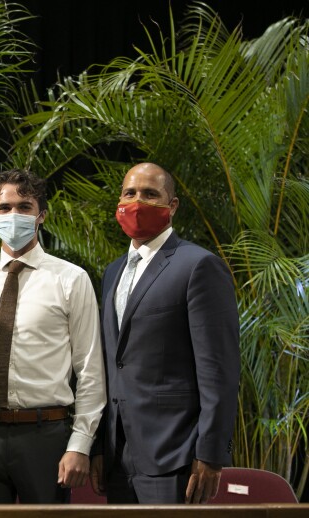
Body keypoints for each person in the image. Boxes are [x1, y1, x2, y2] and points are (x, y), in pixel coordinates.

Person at [0, 169, 106, 504]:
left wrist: (80, 444)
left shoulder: (71, 280)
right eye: (4, 208)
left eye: (25, 207)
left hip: (45, 435)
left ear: (41, 215)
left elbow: (90, 369)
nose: (13, 215)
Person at [89, 162, 240, 504]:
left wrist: (211, 451)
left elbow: (218, 370)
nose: (137, 201)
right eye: (129, 193)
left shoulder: (198, 265)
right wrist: (99, 446)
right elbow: (111, 365)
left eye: (150, 194)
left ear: (171, 206)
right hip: (118, 454)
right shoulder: (112, 272)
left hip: (176, 455)